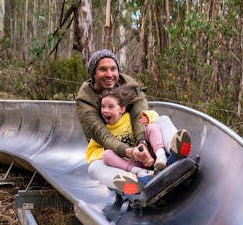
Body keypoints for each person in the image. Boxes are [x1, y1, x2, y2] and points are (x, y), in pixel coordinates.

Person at [76, 49, 191, 192]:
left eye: (113, 69)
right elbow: (101, 134)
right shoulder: (85, 98)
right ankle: (133, 182)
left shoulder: (128, 83)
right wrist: (130, 152)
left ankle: (175, 154)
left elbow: (139, 114)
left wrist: (141, 143)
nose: (109, 74)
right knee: (94, 168)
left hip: (139, 139)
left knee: (162, 120)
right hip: (116, 152)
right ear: (93, 73)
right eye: (103, 70)